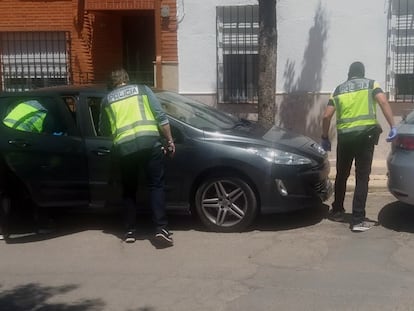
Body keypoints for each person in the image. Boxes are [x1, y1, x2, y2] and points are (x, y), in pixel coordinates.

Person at [99, 68, 175, 246]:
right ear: (127, 78)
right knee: (156, 186)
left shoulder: (107, 100)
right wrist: (170, 140)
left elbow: (103, 129)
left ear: (112, 82)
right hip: (150, 144)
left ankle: (130, 231)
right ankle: (161, 229)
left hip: (125, 148)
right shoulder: (142, 90)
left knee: (129, 190)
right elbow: (160, 116)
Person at [321, 61, 397, 232]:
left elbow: (326, 116)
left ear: (349, 74)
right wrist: (393, 126)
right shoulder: (371, 84)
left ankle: (338, 210)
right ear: (362, 73)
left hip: (345, 138)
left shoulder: (338, 89)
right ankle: (357, 220)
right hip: (365, 137)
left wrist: (325, 137)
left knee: (342, 175)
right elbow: (383, 102)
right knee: (362, 177)